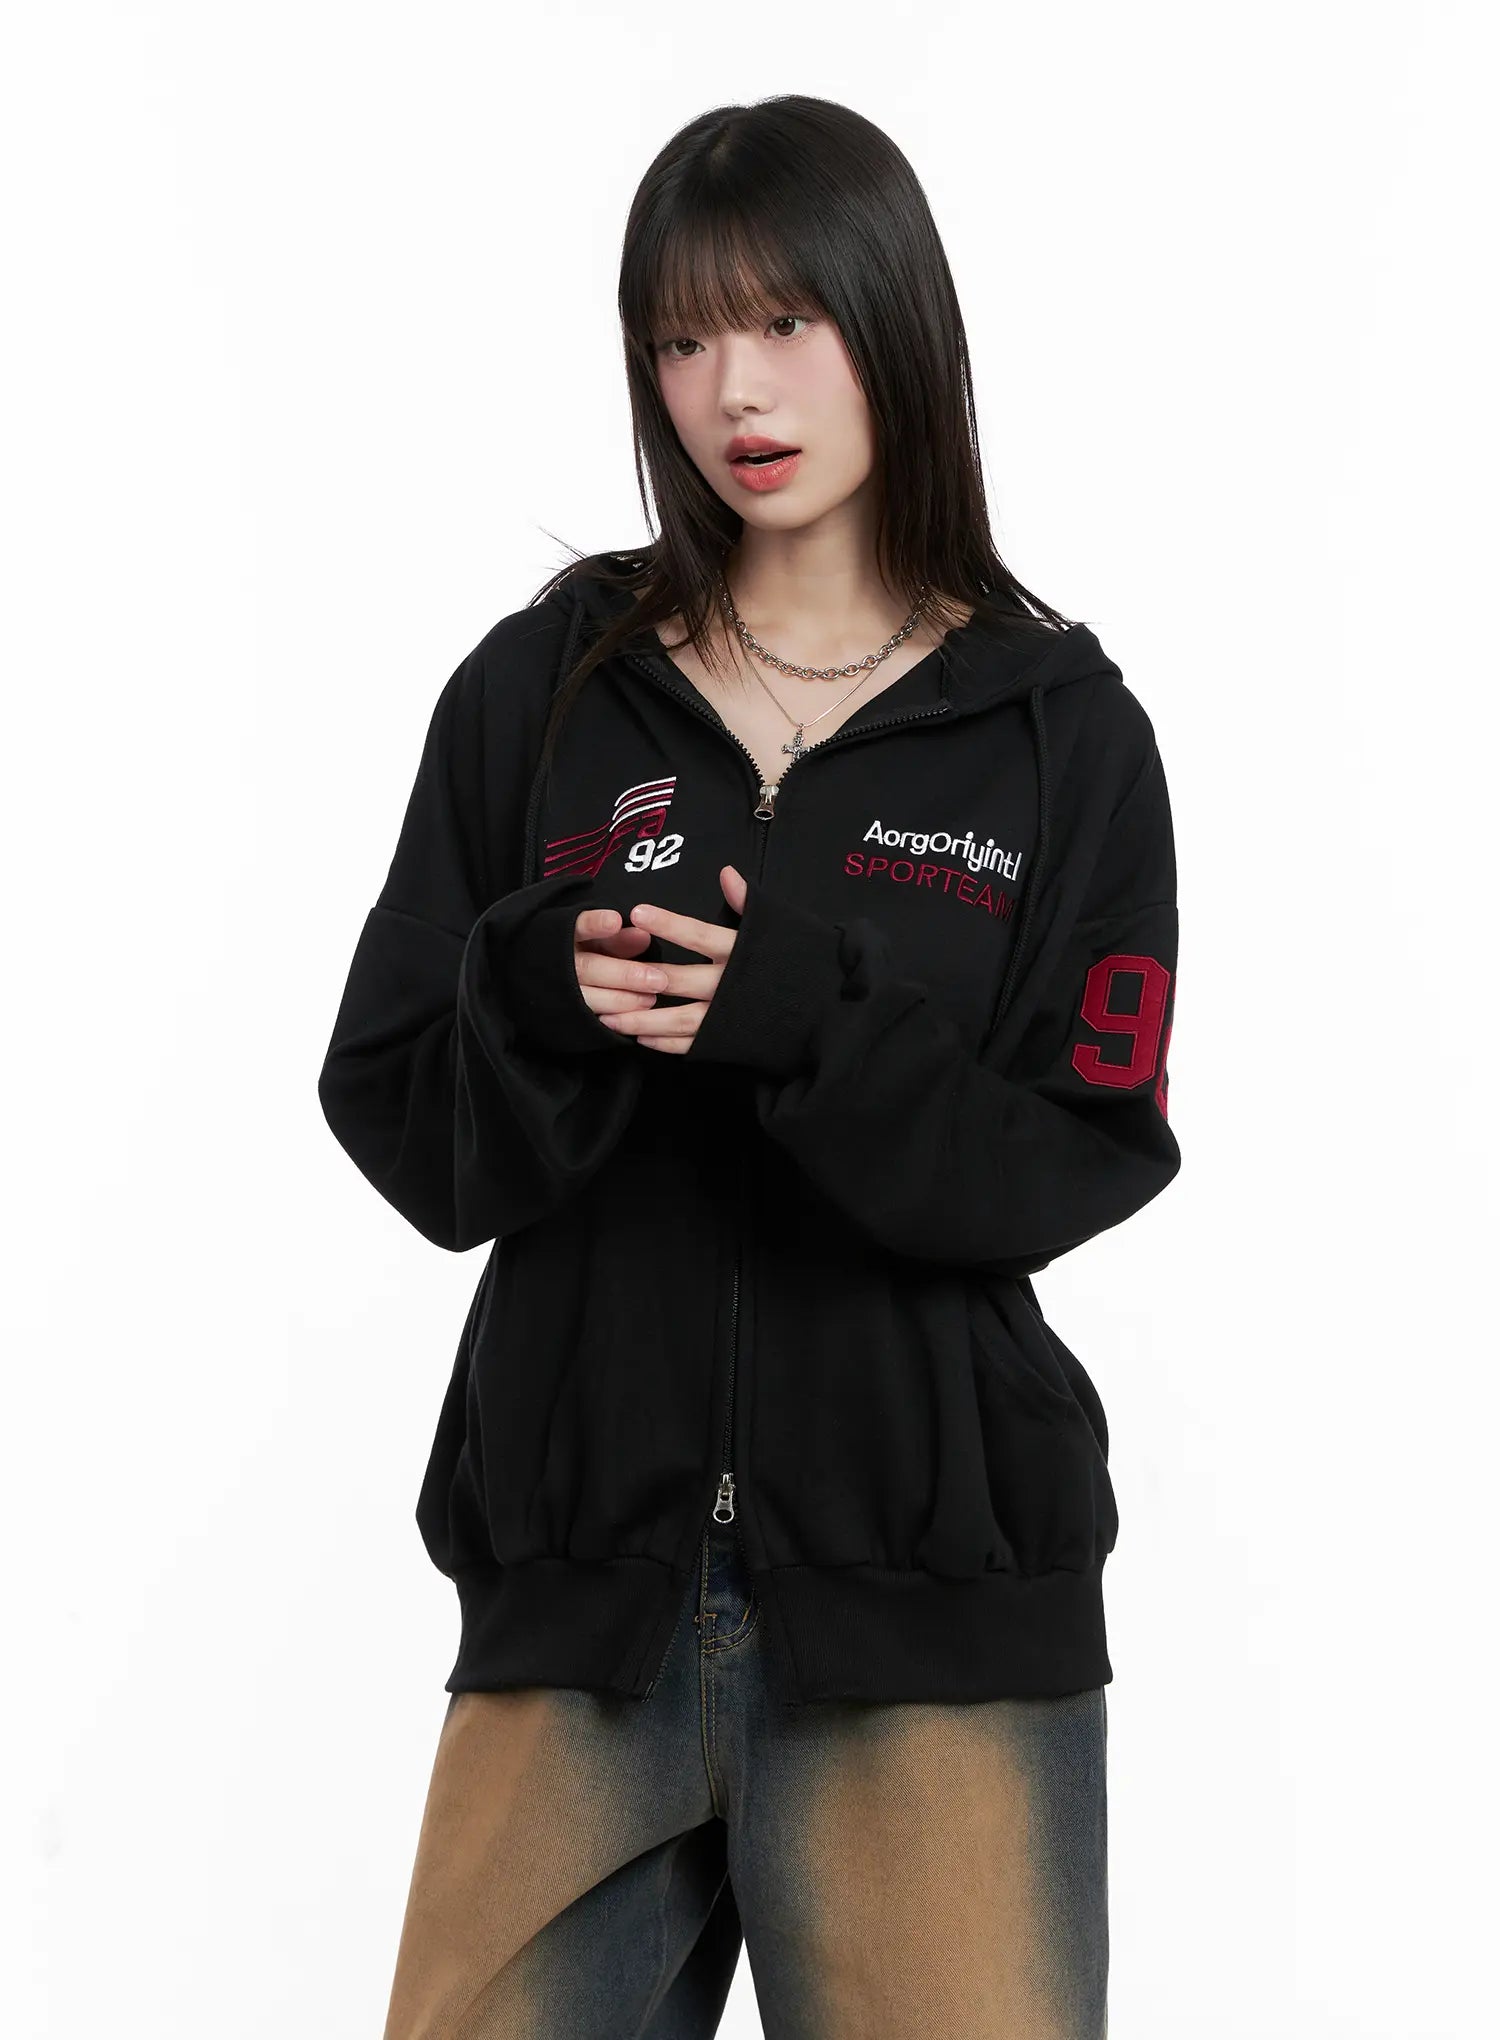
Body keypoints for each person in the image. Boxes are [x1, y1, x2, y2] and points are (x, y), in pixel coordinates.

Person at [318, 92, 1180, 2040]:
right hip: (580, 1619)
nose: (736, 390)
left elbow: (1073, 1154)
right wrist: (534, 990)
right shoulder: (544, 691)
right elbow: (403, 1116)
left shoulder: (1061, 739)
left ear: (897, 322)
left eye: (788, 320)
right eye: (684, 339)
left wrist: (813, 1027)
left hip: (935, 1636)